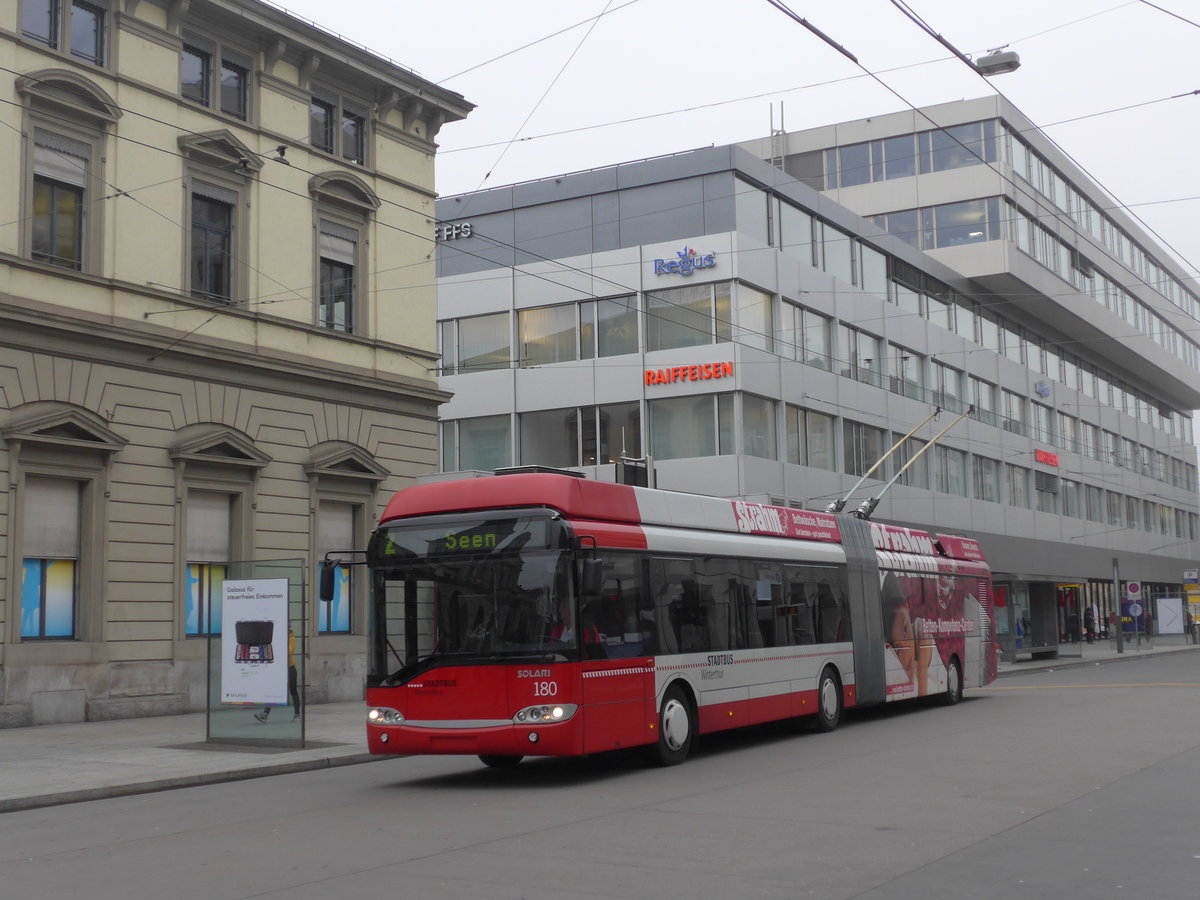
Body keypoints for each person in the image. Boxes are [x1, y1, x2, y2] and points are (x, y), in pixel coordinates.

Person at [256, 625, 300, 722]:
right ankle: (265, 714)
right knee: (274, 690)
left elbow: (290, 652)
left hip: (290, 669)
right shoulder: (280, 637)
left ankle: (297, 715)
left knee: (293, 692)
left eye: (287, 628)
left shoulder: (291, 638)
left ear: (289, 629)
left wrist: (278, 650)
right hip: (281, 669)